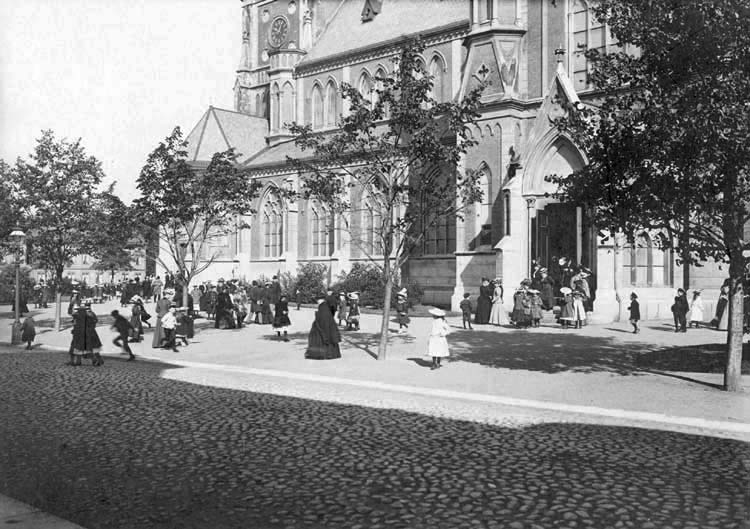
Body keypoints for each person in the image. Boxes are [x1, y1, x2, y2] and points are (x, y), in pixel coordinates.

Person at [305, 293, 341, 359]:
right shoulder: (324, 306)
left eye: (318, 300)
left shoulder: (323, 306)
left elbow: (323, 318)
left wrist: (318, 321)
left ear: (322, 300)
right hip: (327, 325)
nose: (317, 301)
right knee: (327, 337)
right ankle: (330, 353)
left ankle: (324, 354)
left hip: (324, 325)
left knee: (322, 338)